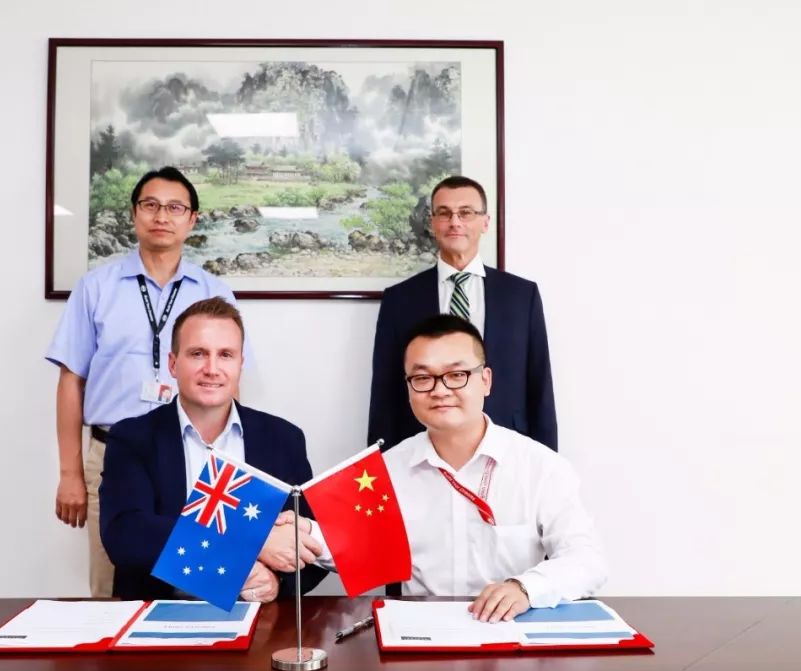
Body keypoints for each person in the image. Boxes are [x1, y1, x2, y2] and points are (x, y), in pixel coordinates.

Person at [303, 314, 605, 622]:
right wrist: (304, 533)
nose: (440, 390)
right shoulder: (386, 469)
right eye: (423, 378)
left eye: (457, 374)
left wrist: (525, 588)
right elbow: (353, 546)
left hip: (510, 628)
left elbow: (587, 559)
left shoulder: (540, 466)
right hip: (420, 631)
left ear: (485, 380)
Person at [45, 167, 251, 597]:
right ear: (134, 214)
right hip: (113, 455)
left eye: (175, 207)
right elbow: (71, 380)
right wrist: (70, 474)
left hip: (197, 456)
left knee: (206, 584)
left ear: (192, 219)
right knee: (114, 590)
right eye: (150, 205)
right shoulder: (96, 288)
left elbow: (227, 381)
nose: (162, 216)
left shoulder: (213, 292)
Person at [98, 298, 327, 601]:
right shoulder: (132, 438)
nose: (212, 369)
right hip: (161, 612)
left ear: (240, 364)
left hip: (256, 614)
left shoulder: (283, 438)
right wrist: (251, 543)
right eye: (198, 354)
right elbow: (126, 536)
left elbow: (312, 541)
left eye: (225, 355)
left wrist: (277, 583)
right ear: (173, 363)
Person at [368, 176, 557, 452]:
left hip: (508, 445)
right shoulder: (400, 299)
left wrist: (546, 458)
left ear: (485, 222)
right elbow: (385, 391)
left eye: (466, 213)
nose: (454, 222)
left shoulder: (520, 295)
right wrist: (378, 464)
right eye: (444, 213)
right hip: (421, 448)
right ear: (432, 223)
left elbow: (539, 384)